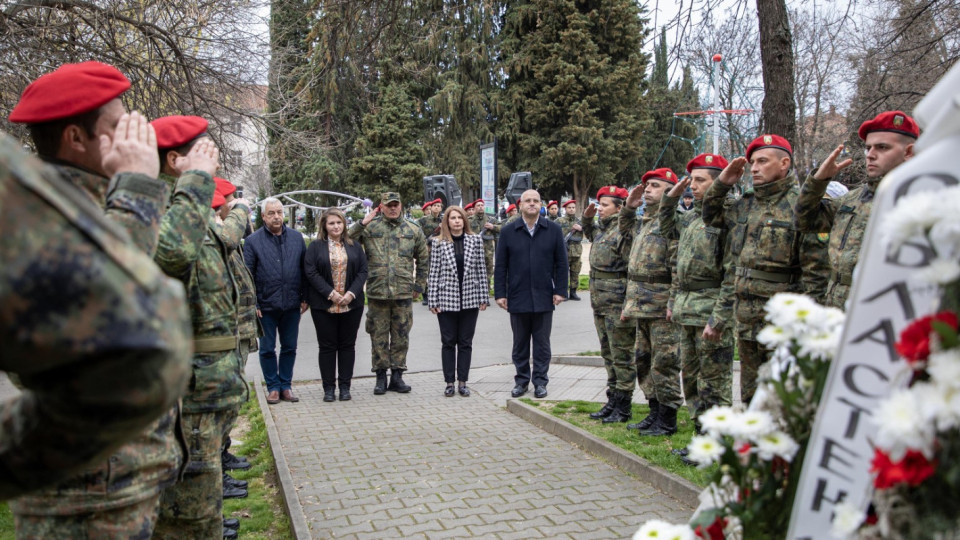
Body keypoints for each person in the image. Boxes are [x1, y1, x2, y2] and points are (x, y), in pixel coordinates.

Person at [6, 62, 196, 539]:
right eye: (119, 129)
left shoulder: (90, 200)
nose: (138, 140)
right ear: (75, 138)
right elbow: (116, 311)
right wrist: (135, 188)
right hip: (83, 495)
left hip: (118, 478)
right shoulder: (40, 215)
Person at [149, 115, 251, 540]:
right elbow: (171, 257)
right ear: (175, 160)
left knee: (202, 508)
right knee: (187, 518)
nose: (213, 157)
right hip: (190, 390)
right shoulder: (163, 211)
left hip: (211, 383)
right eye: (203, 151)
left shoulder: (192, 211)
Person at [702, 134, 830, 404]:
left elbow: (816, 272)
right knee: (750, 393)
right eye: (752, 163)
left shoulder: (801, 206)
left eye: (762, 161)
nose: (755, 168)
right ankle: (753, 444)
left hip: (782, 318)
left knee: (782, 396)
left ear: (784, 164)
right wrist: (723, 182)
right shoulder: (747, 204)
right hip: (747, 317)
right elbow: (712, 215)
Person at [795, 111, 918, 309]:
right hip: (837, 308)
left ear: (909, 152)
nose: (870, 155)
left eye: (882, 147)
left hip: (880, 310)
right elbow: (804, 220)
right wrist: (818, 181)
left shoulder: (922, 201)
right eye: (868, 148)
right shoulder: (853, 199)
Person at [660, 155, 735, 456]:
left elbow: (732, 272)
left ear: (720, 181)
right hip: (687, 309)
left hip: (710, 309)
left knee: (714, 382)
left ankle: (717, 444)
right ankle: (700, 438)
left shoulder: (727, 217)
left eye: (700, 179)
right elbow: (667, 226)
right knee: (690, 379)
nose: (693, 185)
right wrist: (673, 194)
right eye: (691, 179)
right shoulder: (692, 217)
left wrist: (719, 318)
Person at [620, 168, 683, 436]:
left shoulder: (674, 222)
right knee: (643, 361)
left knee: (664, 363)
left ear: (671, 190)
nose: (647, 190)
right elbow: (623, 234)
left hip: (661, 306)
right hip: (641, 305)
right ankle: (654, 412)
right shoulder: (645, 221)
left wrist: (673, 301)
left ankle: (668, 420)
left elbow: (678, 265)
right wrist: (628, 207)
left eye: (655, 186)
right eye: (646, 185)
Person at [350, 192, 429, 394]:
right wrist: (362, 222)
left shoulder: (413, 229)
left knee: (401, 336)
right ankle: (380, 377)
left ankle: (397, 376)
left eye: (396, 204)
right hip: (377, 292)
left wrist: (419, 286)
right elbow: (346, 238)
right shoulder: (370, 228)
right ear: (381, 207)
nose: (393, 208)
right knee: (378, 336)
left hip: (403, 292)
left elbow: (423, 259)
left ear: (401, 205)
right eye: (389, 205)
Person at [494, 189, 568, 399]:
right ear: (520, 205)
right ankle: (521, 381)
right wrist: (500, 293)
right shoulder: (509, 231)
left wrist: (561, 291)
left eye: (536, 201)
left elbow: (561, 264)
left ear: (541, 205)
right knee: (520, 343)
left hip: (544, 296)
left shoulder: (553, 229)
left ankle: (540, 382)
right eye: (528, 201)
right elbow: (501, 266)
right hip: (517, 297)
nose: (532, 204)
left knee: (542, 344)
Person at [580, 186, 636, 423]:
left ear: (619, 207)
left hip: (617, 302)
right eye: (599, 204)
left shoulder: (625, 230)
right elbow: (590, 233)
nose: (600, 209)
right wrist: (587, 218)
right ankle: (612, 400)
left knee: (621, 356)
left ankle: (623, 407)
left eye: (605, 205)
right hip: (600, 302)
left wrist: (628, 305)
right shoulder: (603, 229)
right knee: (608, 353)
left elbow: (631, 270)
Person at [244, 197, 308, 404]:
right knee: (267, 349)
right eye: (271, 213)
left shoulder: (297, 238)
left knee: (289, 347)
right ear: (263, 216)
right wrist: (253, 304)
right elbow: (247, 275)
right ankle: (272, 387)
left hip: (291, 304)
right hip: (266, 306)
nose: (276, 217)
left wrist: (305, 297)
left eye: (279, 212)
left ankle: (286, 386)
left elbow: (305, 270)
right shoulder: (253, 241)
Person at [304, 208, 368, 402]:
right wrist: (331, 294)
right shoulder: (315, 247)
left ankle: (345, 387)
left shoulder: (354, 246)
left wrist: (350, 293)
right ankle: (329, 388)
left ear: (344, 224)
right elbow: (311, 272)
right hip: (324, 306)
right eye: (331, 223)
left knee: (348, 345)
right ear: (324, 225)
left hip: (351, 305)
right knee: (327, 347)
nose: (336, 226)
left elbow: (363, 271)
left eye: (339, 222)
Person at [427, 206, 489, 397]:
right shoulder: (438, 243)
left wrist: (484, 296)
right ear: (447, 221)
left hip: (470, 299)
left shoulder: (475, 240)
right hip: (446, 299)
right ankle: (449, 382)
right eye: (452, 218)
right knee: (448, 342)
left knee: (465, 342)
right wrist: (432, 299)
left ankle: (463, 382)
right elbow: (434, 272)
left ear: (464, 220)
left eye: (459, 218)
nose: (456, 221)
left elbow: (481, 269)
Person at [557, 199, 583, 300]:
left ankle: (573, 292)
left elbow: (583, 235)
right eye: (569, 208)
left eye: (573, 208)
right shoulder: (560, 221)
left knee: (575, 272)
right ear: (565, 209)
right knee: (564, 272)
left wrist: (581, 229)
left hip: (576, 251)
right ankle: (564, 293)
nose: (571, 210)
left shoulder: (579, 222)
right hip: (564, 250)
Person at [469, 198, 499, 283]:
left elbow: (503, 227)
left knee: (489, 270)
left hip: (488, 250)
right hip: (473, 249)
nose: (480, 207)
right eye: (478, 205)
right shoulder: (469, 220)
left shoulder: (490, 219)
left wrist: (493, 227)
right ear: (474, 208)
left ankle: (487, 289)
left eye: (482, 205)